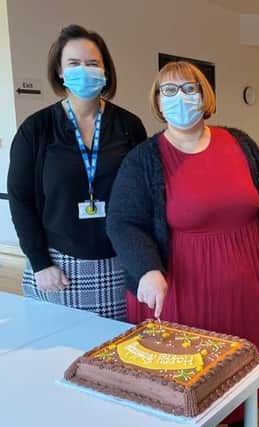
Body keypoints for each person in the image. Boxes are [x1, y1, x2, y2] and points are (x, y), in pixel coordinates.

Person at [105, 61, 259, 426]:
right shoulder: (144, 159)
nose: (181, 98)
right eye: (169, 91)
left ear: (205, 96)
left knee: (243, 379)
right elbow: (122, 222)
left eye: (190, 89)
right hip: (183, 295)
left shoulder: (240, 143)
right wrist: (146, 268)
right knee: (189, 387)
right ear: (158, 102)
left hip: (248, 290)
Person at [7, 24, 146, 320]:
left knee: (112, 360)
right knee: (56, 355)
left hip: (118, 263)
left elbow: (142, 197)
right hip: (56, 266)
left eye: (92, 63)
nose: (84, 70)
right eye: (74, 63)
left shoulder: (128, 126)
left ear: (106, 70)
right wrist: (39, 261)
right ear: (59, 71)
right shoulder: (36, 129)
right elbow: (21, 200)